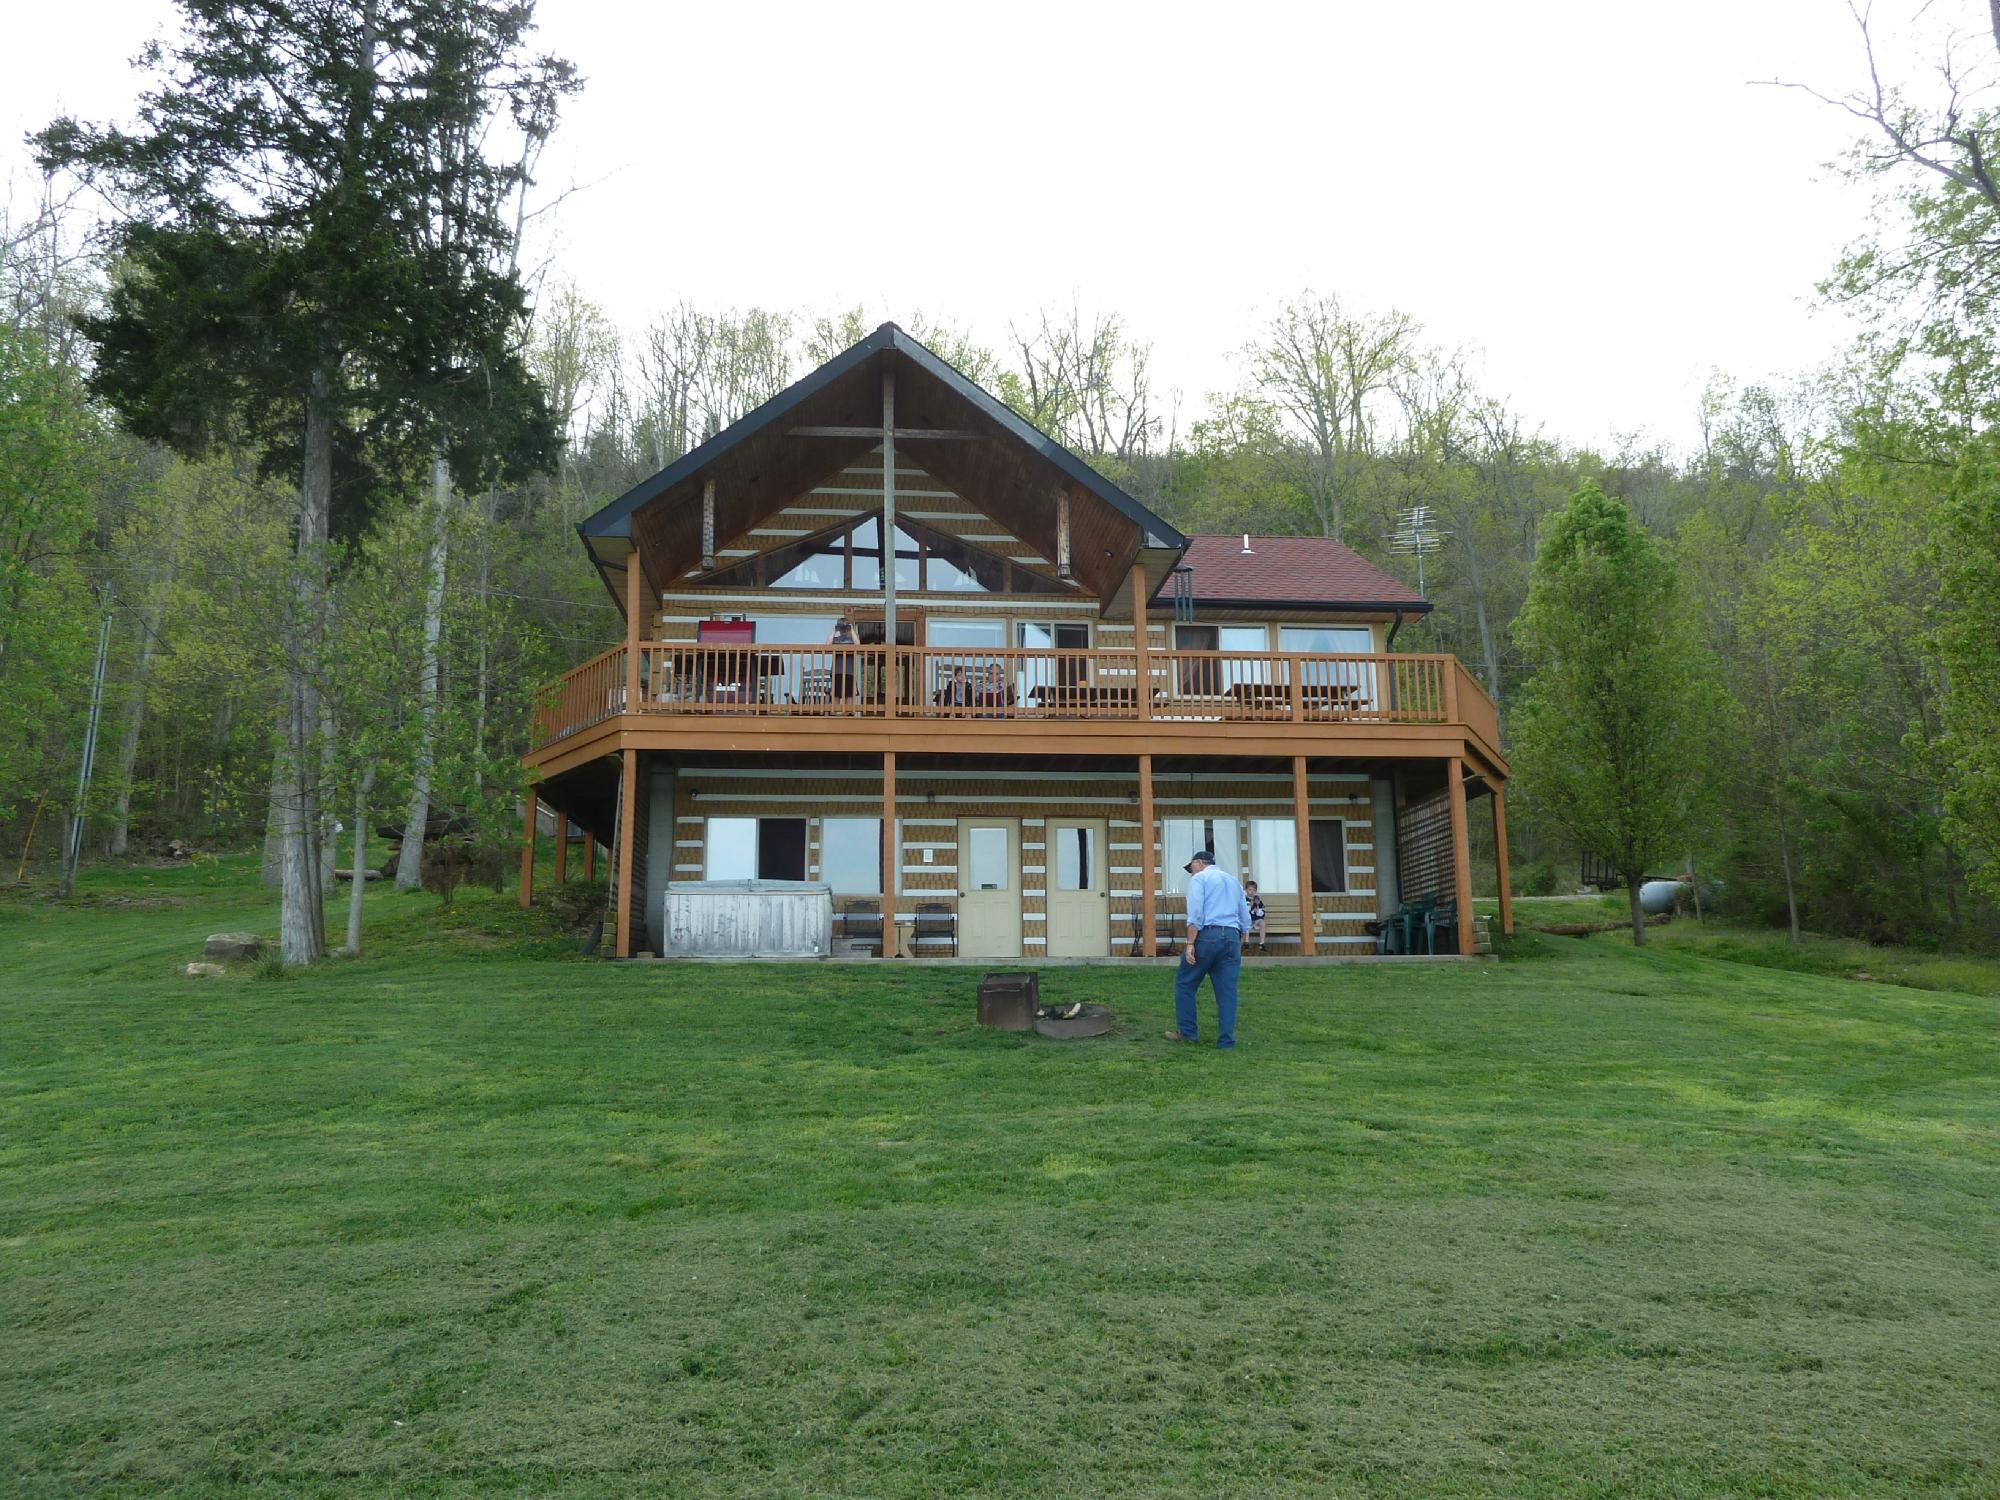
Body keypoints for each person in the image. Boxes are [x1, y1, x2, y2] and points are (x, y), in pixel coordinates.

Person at [1166, 848, 1252, 1049]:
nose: (1191, 873)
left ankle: (1188, 1033)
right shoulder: (1233, 881)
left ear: (1199, 863)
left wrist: (1189, 944)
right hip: (1231, 936)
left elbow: (1196, 913)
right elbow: (1244, 916)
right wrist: (1241, 937)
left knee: (1185, 983)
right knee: (1227, 992)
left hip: (1207, 936)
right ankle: (1226, 1041)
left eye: (1191, 868)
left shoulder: (1199, 879)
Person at [826, 616, 858, 705]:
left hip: (850, 672)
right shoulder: (836, 640)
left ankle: (849, 715)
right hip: (837, 672)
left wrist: (852, 630)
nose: (844, 630)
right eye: (842, 628)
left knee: (849, 695)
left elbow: (858, 646)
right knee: (836, 695)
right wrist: (834, 630)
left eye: (846, 628)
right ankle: (834, 714)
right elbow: (827, 646)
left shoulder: (852, 640)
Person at [1243, 880, 1268, 953]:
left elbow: (1263, 912)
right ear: (1246, 890)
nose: (1252, 892)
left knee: (1262, 923)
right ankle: (1246, 943)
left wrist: (1257, 911)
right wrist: (1250, 907)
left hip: (1256, 920)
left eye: (1254, 890)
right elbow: (1242, 912)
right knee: (1246, 923)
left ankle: (1261, 943)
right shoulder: (1243, 900)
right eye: (1250, 890)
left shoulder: (1258, 900)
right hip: (1247, 920)